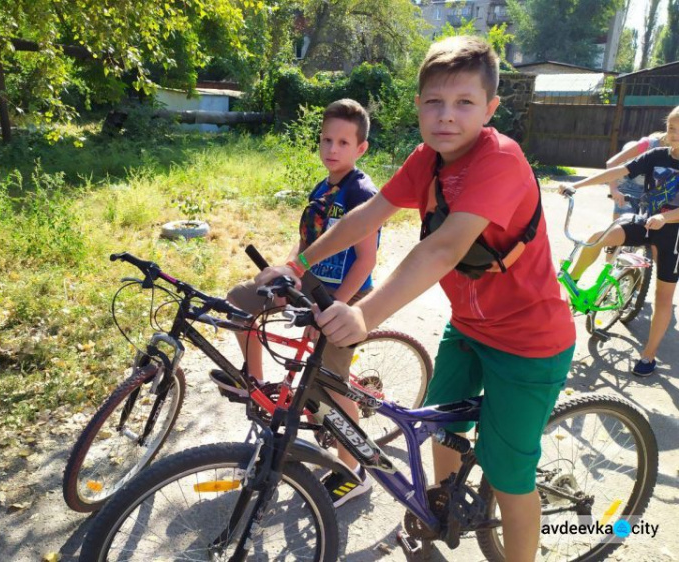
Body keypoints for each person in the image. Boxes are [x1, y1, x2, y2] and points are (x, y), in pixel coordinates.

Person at [259, 36, 575, 562]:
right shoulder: (427, 159)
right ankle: (442, 510)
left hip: (530, 341)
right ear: (418, 106)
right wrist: (296, 265)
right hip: (471, 328)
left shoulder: (501, 160)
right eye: (434, 102)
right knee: (438, 427)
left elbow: (443, 248)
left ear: (491, 108)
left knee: (507, 470)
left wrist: (364, 312)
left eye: (464, 103)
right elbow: (367, 214)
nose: (446, 116)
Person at [216, 98, 380, 507]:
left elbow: (366, 261)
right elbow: (308, 243)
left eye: (343, 142)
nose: (332, 149)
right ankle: (252, 385)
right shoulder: (322, 187)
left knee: (329, 387)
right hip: (311, 284)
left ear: (361, 148)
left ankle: (354, 470)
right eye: (326, 139)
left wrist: (333, 310)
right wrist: (286, 269)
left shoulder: (363, 193)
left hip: (347, 296)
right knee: (239, 304)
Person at [559, 105, 679, 377]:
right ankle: (573, 286)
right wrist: (578, 185)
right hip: (645, 221)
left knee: (664, 297)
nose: (675, 134)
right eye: (672, 128)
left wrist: (667, 217)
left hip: (673, 234)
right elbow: (618, 170)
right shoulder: (657, 155)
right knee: (597, 238)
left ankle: (648, 356)